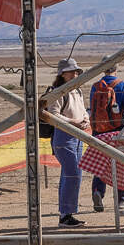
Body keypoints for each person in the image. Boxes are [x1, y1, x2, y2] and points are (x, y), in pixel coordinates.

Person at [39, 58, 90, 228]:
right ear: (63, 74)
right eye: (72, 71)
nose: (75, 74)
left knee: (71, 174)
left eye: (76, 71)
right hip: (64, 136)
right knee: (72, 174)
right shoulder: (58, 92)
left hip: (76, 137)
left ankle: (67, 213)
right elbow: (53, 115)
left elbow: (83, 110)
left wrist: (85, 120)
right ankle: (66, 215)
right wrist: (74, 122)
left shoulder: (77, 91)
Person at [88, 68, 124, 212]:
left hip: (99, 131)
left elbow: (93, 108)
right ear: (117, 68)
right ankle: (121, 199)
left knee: (100, 164)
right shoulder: (122, 86)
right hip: (117, 131)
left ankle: (98, 191)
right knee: (122, 164)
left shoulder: (95, 86)